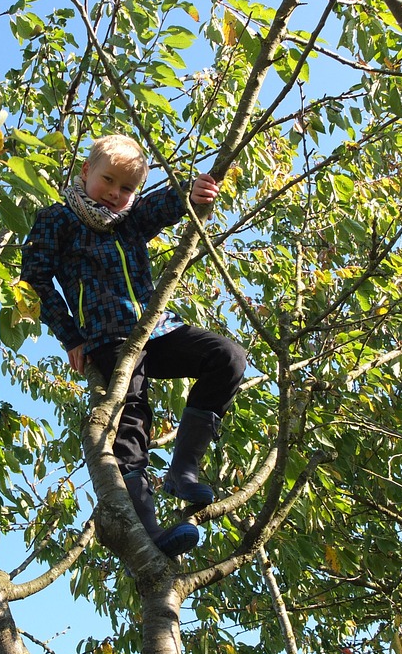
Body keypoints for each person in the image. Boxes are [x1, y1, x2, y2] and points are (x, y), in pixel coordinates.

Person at [20, 134, 247, 558]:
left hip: (154, 329)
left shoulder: (130, 220)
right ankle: (148, 528)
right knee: (132, 419)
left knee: (228, 356)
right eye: (108, 180)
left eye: (127, 188)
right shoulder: (57, 219)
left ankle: (183, 470)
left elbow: (160, 205)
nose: (115, 193)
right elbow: (33, 279)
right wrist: (70, 335)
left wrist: (191, 192)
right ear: (85, 172)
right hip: (108, 339)